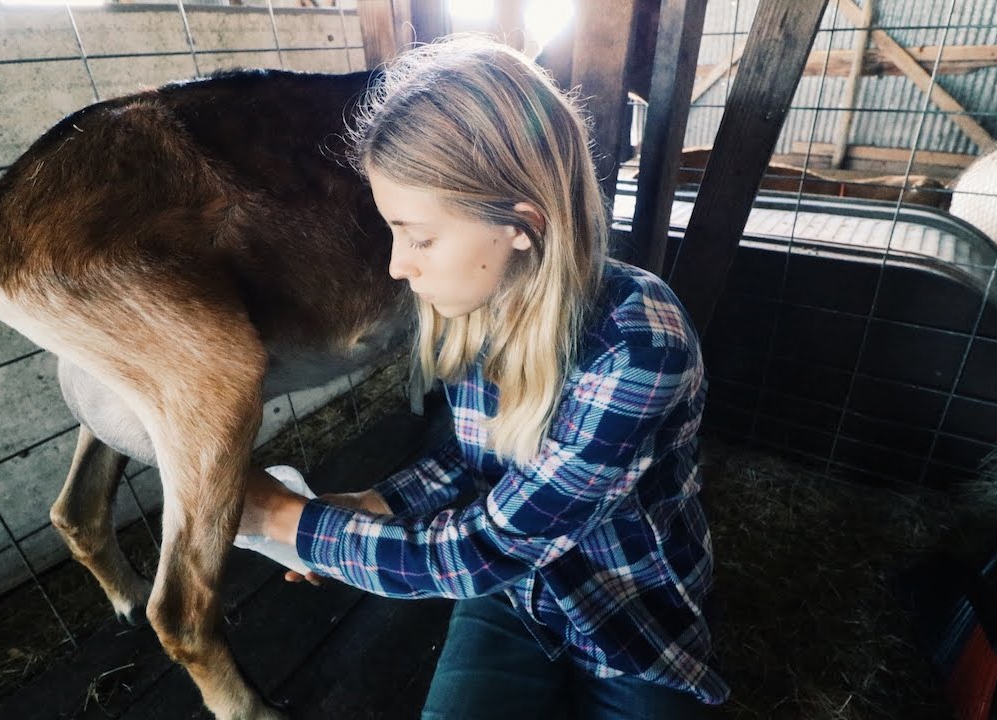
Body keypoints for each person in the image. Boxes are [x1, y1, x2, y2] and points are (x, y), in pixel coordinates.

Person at [238, 35, 730, 719]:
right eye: (393, 231)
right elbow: (476, 466)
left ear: (520, 224)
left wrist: (286, 517)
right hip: (513, 602)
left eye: (420, 236)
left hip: (627, 616)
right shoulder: (480, 306)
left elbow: (483, 549)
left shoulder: (641, 343)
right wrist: (372, 505)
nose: (396, 266)